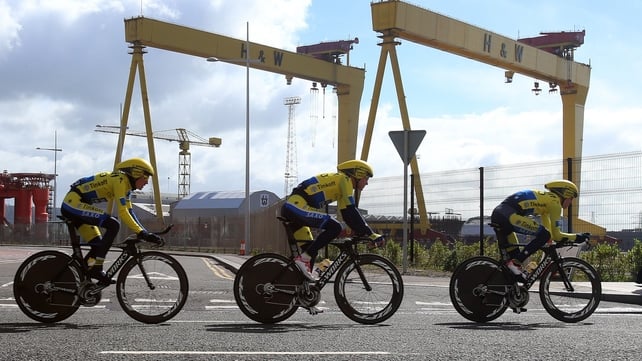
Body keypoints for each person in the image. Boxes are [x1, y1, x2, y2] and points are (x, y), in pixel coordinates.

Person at [60, 157, 162, 285]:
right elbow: (123, 212)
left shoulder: (127, 187)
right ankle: (97, 268)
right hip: (73, 203)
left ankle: (83, 274)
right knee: (113, 224)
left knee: (98, 245)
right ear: (136, 173)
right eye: (146, 178)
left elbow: (130, 212)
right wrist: (142, 233)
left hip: (80, 204)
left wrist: (145, 232)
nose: (147, 183)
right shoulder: (119, 180)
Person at [281, 159, 384, 279]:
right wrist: (370, 233)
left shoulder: (342, 186)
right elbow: (351, 210)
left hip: (294, 207)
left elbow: (347, 215)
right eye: (366, 178)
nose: (366, 183)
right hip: (295, 206)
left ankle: (304, 292)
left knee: (310, 250)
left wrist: (363, 233)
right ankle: (303, 260)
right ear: (358, 174)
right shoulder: (344, 179)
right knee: (335, 227)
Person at [490, 179, 590, 281]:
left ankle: (509, 286)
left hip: (500, 213)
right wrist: (578, 237)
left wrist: (550, 239)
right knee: (540, 238)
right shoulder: (555, 203)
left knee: (514, 263)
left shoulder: (547, 200)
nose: (571, 202)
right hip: (508, 215)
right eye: (571, 198)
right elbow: (556, 235)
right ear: (565, 194)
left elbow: (550, 234)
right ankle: (515, 264)